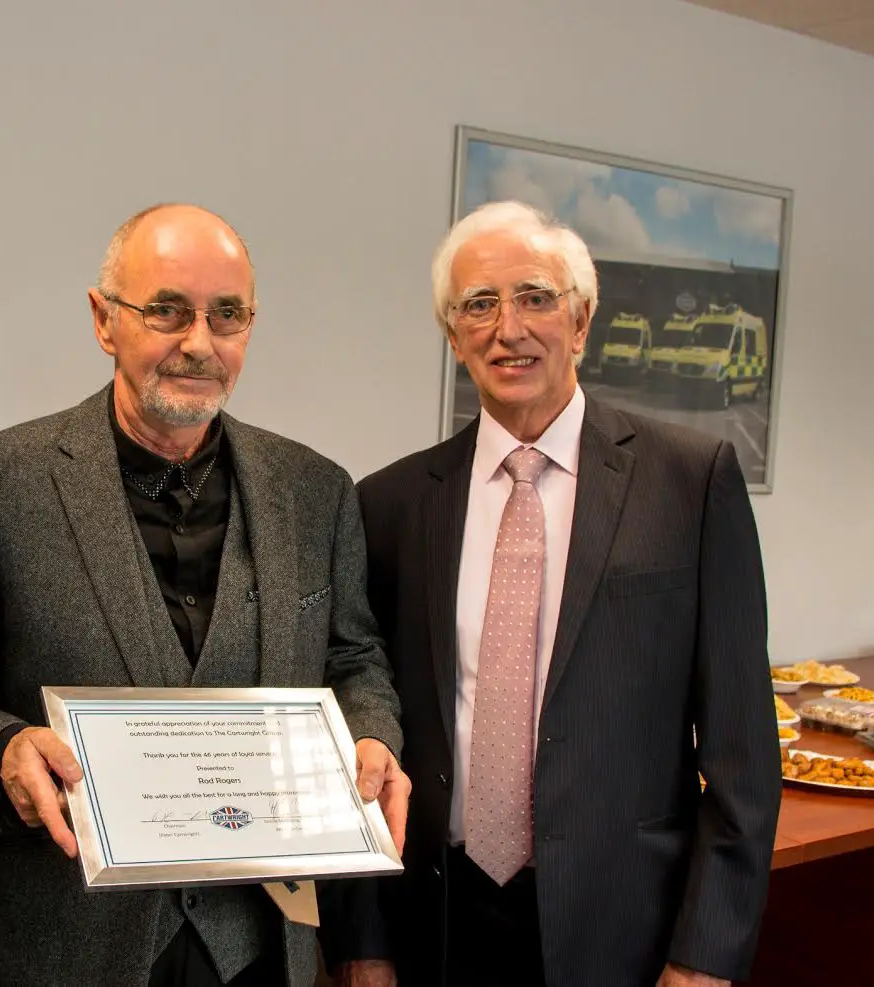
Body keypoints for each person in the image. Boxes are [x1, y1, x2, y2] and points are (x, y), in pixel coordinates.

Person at [0, 203, 410, 987]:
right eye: (167, 311)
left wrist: (372, 735)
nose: (199, 342)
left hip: (258, 946)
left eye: (227, 315)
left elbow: (356, 658)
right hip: (62, 945)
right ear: (102, 319)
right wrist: (0, 748)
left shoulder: (316, 490)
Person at [323, 201, 780, 987]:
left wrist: (703, 958)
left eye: (534, 296)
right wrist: (363, 943)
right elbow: (363, 720)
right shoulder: (390, 504)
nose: (510, 328)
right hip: (436, 921)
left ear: (581, 317)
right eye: (479, 305)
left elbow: (744, 757)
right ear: (453, 334)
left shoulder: (689, 483)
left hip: (623, 929)